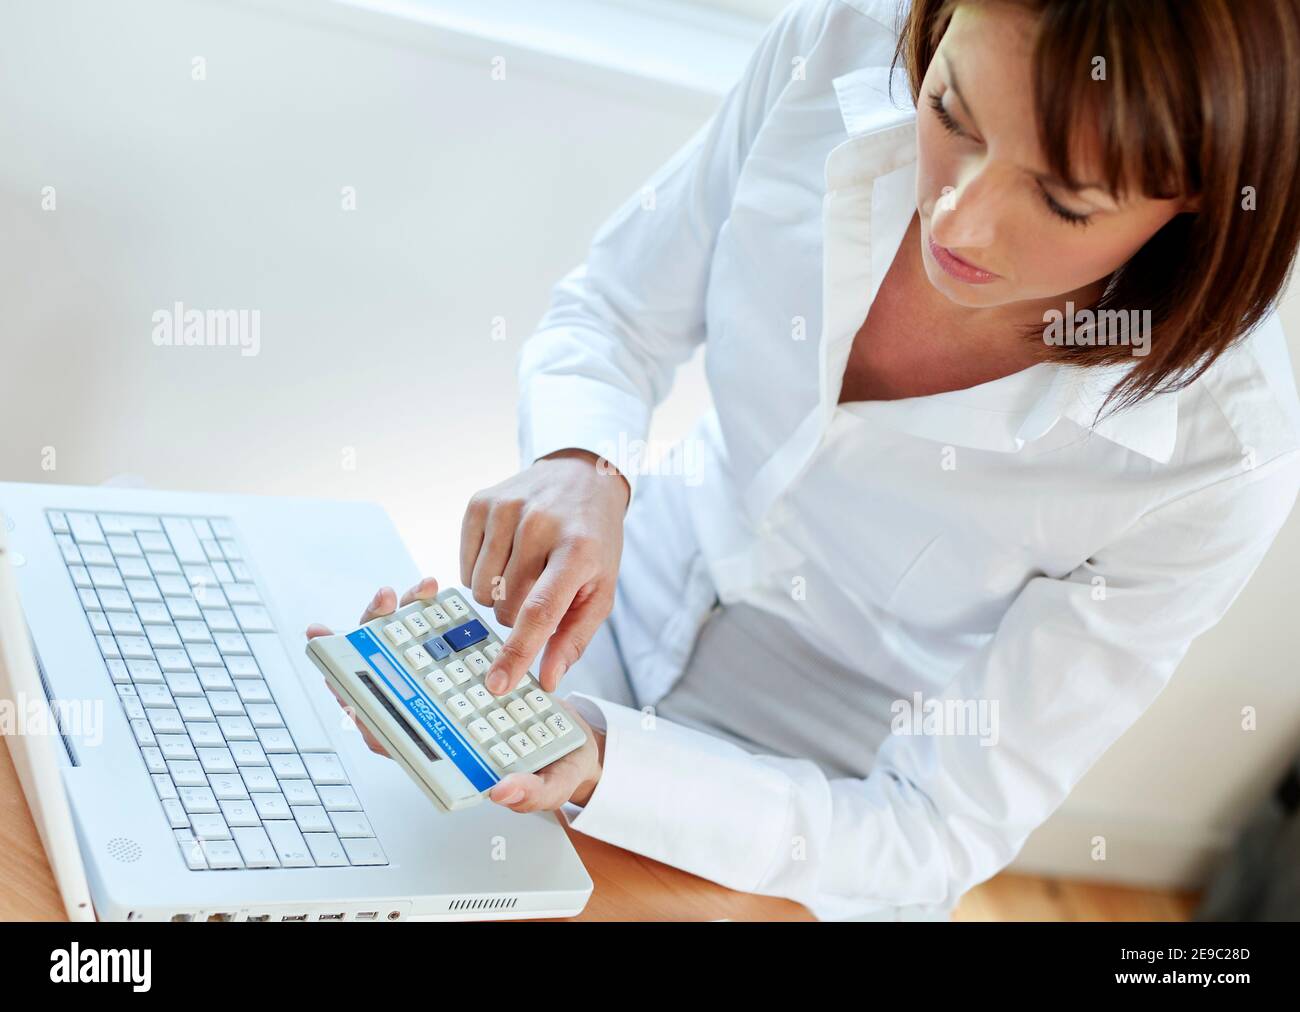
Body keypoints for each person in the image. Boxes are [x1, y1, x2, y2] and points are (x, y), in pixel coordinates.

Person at [308, 0, 1300, 920]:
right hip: (607, 626)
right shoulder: (841, 42)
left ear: (1201, 202)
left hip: (813, 806)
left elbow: (934, 827)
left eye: (1062, 199)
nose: (952, 221)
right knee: (338, 839)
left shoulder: (1219, 457)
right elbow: (613, 311)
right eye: (949, 111)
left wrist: (609, 763)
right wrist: (584, 461)